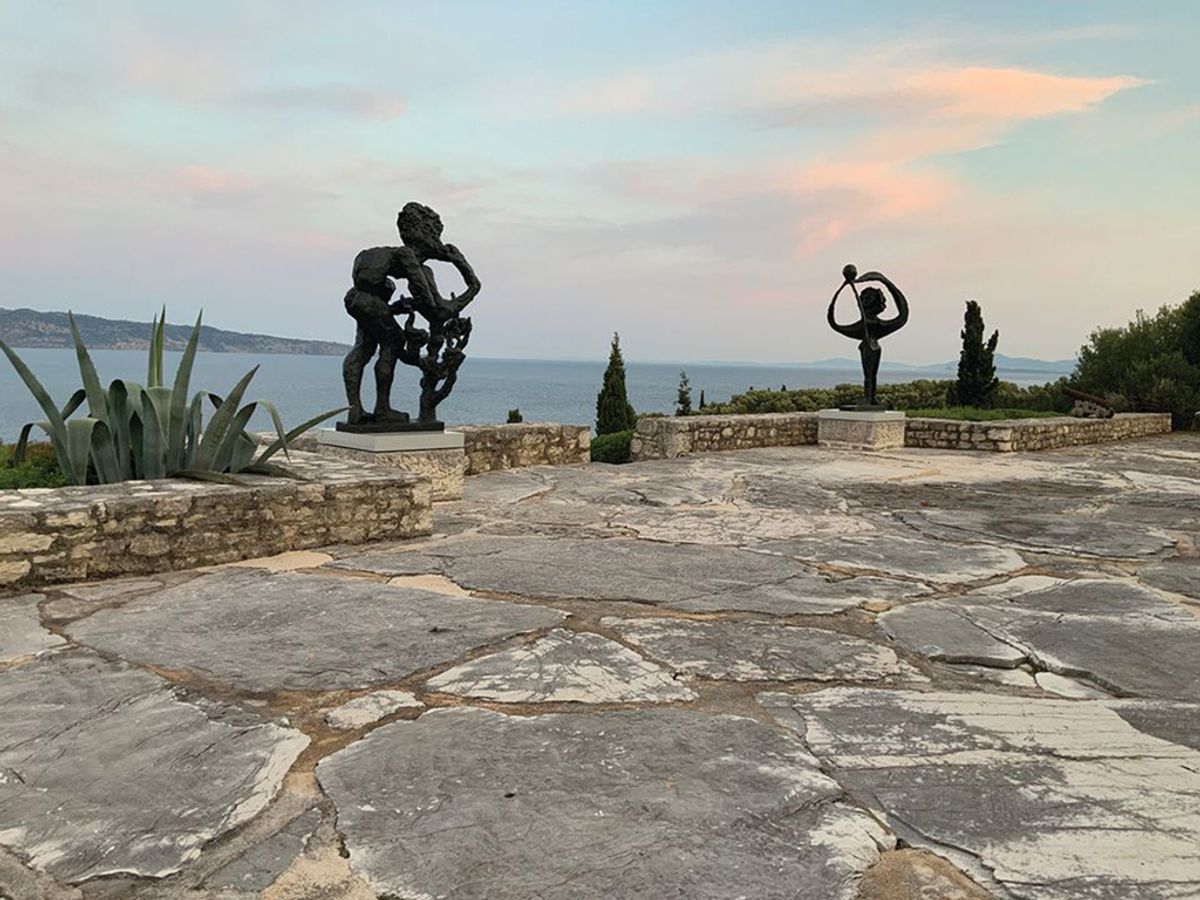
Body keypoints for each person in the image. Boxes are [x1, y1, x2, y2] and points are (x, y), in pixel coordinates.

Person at [341, 203, 480, 425]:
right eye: (435, 233)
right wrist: (470, 280)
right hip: (368, 300)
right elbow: (437, 309)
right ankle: (382, 409)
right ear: (424, 233)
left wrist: (398, 308)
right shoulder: (406, 256)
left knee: (364, 349)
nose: (439, 241)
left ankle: (355, 410)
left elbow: (432, 305)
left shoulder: (409, 264)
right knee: (393, 341)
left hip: (360, 299)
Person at [826, 264, 909, 407]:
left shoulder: (875, 326)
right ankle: (869, 397)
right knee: (869, 375)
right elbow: (834, 324)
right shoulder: (869, 326)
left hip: (871, 346)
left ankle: (870, 397)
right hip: (870, 345)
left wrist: (886, 282)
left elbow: (903, 315)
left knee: (870, 375)